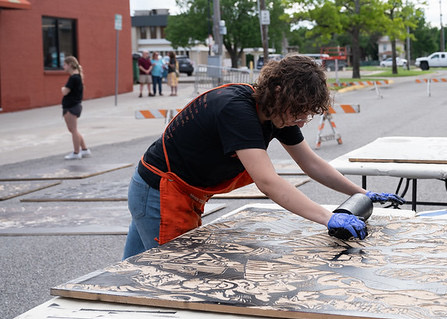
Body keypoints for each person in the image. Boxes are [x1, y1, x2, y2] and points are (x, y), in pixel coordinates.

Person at [123, 55, 404, 259]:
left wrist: (362, 193)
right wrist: (328, 217)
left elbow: (311, 164)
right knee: (172, 274)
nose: (303, 120)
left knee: (131, 273)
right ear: (279, 93)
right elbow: (268, 182)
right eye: (299, 111)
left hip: (176, 190)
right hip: (160, 193)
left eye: (308, 113)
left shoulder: (277, 115)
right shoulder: (237, 110)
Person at [61, 56, 91, 160]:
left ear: (69, 65)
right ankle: (84, 149)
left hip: (71, 106)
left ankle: (76, 152)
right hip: (73, 106)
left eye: (64, 64)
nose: (63, 66)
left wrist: (63, 89)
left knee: (73, 130)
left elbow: (65, 91)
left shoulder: (74, 77)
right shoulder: (76, 77)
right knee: (73, 129)